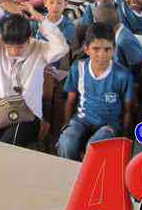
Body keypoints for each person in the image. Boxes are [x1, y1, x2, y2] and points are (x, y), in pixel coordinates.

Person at [0, 0, 69, 147]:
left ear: (28, 39)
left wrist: (40, 18)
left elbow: (62, 47)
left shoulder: (40, 48)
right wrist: (1, 8)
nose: (14, 51)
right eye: (9, 47)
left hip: (28, 113)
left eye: (20, 47)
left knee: (6, 147)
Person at [56, 23, 135, 160]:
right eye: (96, 49)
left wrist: (125, 136)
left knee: (94, 146)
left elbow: (129, 109)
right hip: (82, 119)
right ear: (86, 49)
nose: (101, 55)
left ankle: (90, 173)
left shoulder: (123, 75)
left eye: (107, 49)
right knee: (67, 142)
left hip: (109, 124)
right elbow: (70, 100)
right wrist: (66, 124)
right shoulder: (78, 68)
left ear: (114, 49)